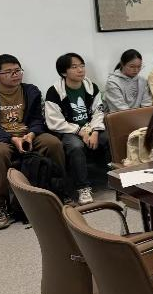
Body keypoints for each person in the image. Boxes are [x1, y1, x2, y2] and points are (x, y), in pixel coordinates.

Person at [0, 54, 65, 230]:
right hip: (1, 138)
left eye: (18, 70)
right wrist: (12, 139)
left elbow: (37, 119)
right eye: (9, 72)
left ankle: (59, 193)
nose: (15, 74)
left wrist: (31, 135)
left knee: (53, 143)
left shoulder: (31, 91)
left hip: (28, 134)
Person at [45, 53, 109, 206]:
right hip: (69, 130)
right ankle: (83, 188)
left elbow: (98, 111)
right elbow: (54, 121)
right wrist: (80, 131)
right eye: (74, 67)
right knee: (75, 146)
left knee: (108, 138)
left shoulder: (91, 87)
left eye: (82, 66)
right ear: (64, 72)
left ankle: (114, 179)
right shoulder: (54, 92)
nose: (80, 70)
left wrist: (95, 131)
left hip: (90, 127)